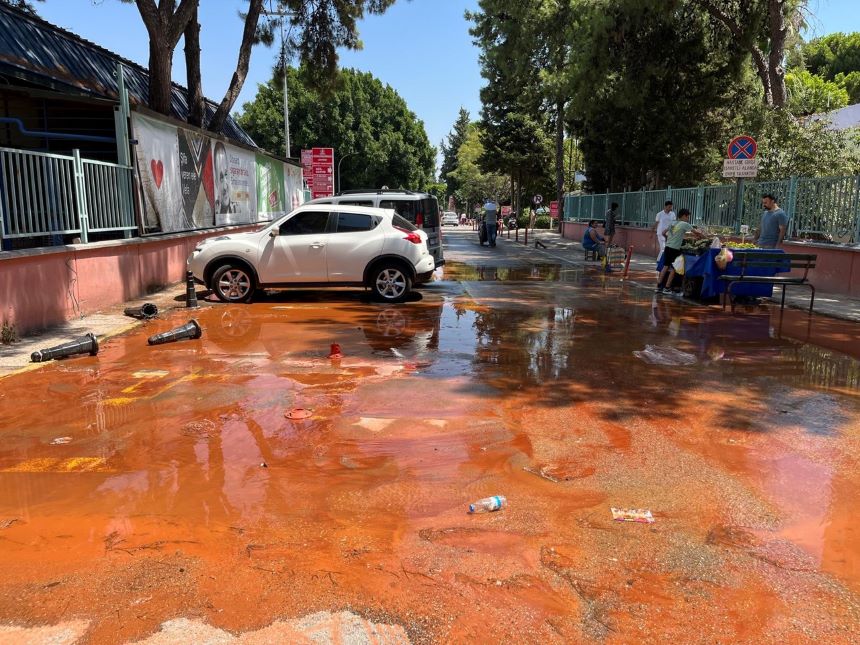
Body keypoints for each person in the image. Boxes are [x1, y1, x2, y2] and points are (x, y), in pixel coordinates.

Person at [655, 208, 705, 295]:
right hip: (675, 249)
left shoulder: (673, 223)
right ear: (684, 216)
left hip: (668, 247)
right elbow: (697, 233)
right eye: (687, 217)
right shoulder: (684, 224)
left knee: (665, 266)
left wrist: (668, 239)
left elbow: (663, 233)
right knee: (674, 268)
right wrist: (704, 236)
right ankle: (667, 288)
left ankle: (659, 286)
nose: (688, 219)